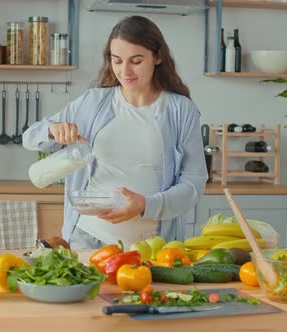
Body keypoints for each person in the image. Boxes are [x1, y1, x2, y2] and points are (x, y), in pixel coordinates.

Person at [22, 16, 207, 249]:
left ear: (157, 57)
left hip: (155, 247)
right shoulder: (93, 101)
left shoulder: (180, 109)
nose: (125, 71)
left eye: (136, 61)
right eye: (117, 61)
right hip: (88, 239)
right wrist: (52, 130)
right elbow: (30, 138)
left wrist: (146, 205)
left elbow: (194, 182)